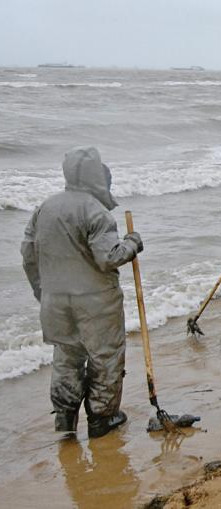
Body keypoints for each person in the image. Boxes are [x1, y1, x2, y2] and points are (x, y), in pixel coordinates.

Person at [20, 146, 144, 439]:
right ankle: (102, 418)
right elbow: (109, 257)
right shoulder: (95, 211)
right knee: (105, 357)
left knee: (66, 356)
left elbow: (28, 254)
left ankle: (64, 420)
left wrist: (42, 291)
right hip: (95, 302)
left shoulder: (44, 208)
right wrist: (133, 243)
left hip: (55, 299)